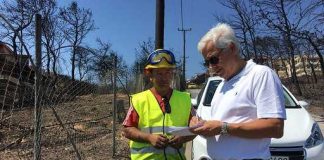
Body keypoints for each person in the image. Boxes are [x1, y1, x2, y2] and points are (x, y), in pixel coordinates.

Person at [190, 23, 286, 160]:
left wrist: (223, 128)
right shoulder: (222, 85)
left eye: (213, 59)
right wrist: (202, 126)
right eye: (207, 62)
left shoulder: (260, 74)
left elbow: (275, 127)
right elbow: (219, 126)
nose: (211, 67)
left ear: (232, 48)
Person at [123, 49, 195, 160]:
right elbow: (127, 130)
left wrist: (183, 137)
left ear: (172, 74)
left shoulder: (184, 99)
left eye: (167, 73)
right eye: (159, 73)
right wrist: (149, 138)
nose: (164, 78)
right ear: (150, 74)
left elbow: (197, 128)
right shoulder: (139, 100)